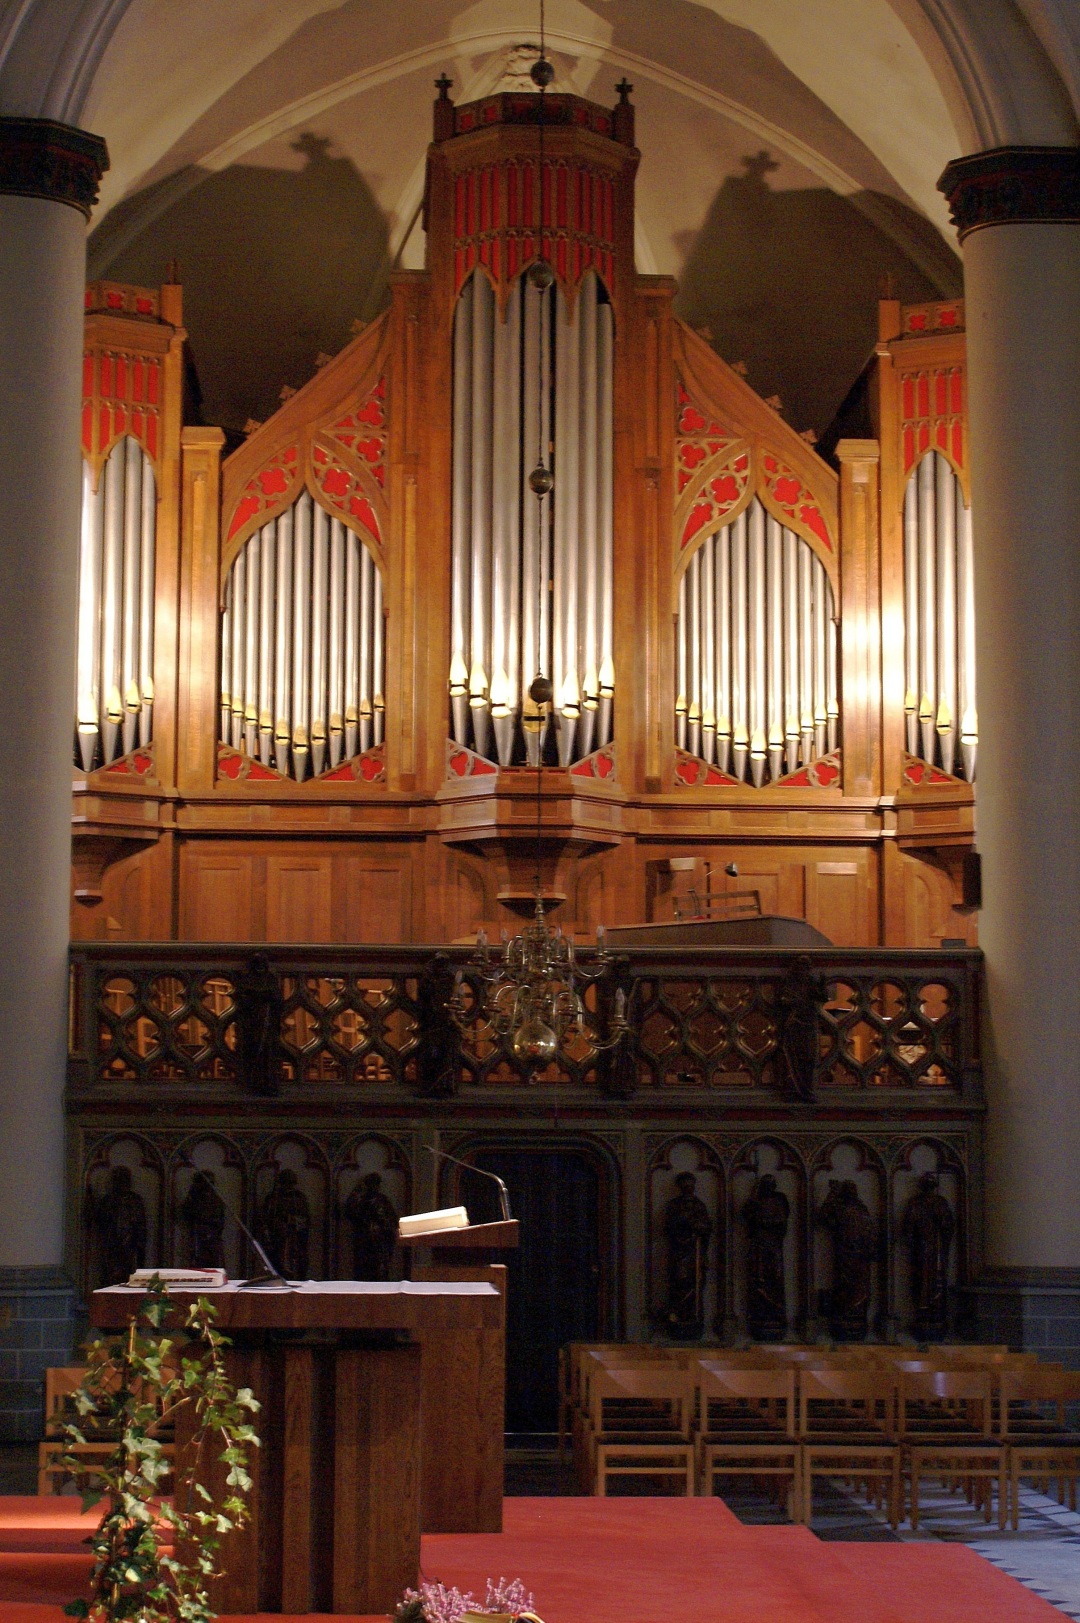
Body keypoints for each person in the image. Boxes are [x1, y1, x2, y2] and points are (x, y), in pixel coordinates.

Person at [818, 1178, 876, 1340]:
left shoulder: (862, 1209)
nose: (852, 1192)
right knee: (844, 1287)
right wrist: (832, 1193)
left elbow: (869, 1231)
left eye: (853, 1189)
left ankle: (857, 1319)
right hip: (844, 1255)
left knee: (861, 1289)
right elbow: (823, 1216)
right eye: (849, 1189)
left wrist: (870, 1247)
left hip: (861, 1256)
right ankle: (843, 1318)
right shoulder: (839, 1207)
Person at [901, 1171, 955, 1340]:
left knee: (937, 1280)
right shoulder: (915, 1203)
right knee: (921, 1280)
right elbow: (908, 1229)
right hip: (921, 1248)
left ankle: (936, 1312)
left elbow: (948, 1226)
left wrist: (942, 1221)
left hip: (937, 1247)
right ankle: (923, 1311)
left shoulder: (941, 1202)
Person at [663, 1171, 713, 1339]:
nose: (688, 1188)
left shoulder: (699, 1206)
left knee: (696, 1283)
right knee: (680, 1282)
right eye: (685, 1185)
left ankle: (694, 1318)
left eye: (690, 1185)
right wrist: (682, 1221)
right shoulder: (674, 1205)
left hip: (695, 1250)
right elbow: (668, 1227)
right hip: (679, 1251)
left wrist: (698, 1226)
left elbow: (706, 1227)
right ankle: (678, 1318)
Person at [743, 1174, 789, 1341]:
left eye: (771, 1184)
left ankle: (776, 1316)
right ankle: (760, 1317)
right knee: (759, 1280)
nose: (768, 1188)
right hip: (759, 1246)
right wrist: (753, 1202)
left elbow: (782, 1222)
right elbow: (746, 1215)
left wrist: (766, 1221)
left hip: (773, 1246)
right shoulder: (756, 1202)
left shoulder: (778, 1202)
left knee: (775, 1280)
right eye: (765, 1184)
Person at [94, 1165, 147, 1285]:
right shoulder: (107, 1200)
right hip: (111, 1242)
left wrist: (139, 1245)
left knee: (128, 1273)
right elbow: (98, 1221)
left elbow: (141, 1225)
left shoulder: (135, 1200)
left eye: (124, 1179)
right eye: (118, 1179)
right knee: (109, 1273)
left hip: (129, 1242)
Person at [343, 1171, 399, 1280]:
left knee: (379, 1270)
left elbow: (391, 1220)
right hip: (364, 1240)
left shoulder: (382, 1200)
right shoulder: (361, 1199)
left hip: (379, 1240)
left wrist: (385, 1229)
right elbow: (349, 1213)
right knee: (363, 1269)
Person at [259, 1167, 311, 1279]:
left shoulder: (299, 1197)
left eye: (290, 1183)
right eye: (286, 1183)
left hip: (294, 1238)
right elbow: (266, 1218)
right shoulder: (273, 1197)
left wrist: (293, 1222)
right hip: (278, 1238)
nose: (288, 1186)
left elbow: (305, 1219)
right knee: (277, 1263)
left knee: (297, 1264)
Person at [180, 1169, 226, 1269]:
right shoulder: (193, 1199)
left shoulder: (216, 1200)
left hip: (213, 1238)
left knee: (214, 1265)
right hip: (197, 1236)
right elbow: (186, 1215)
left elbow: (221, 1220)